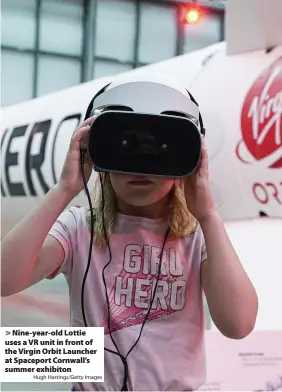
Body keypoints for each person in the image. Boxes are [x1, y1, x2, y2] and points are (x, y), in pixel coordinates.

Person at [1, 77, 258, 392]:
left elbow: (239, 325)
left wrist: (208, 215)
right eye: (126, 146)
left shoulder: (197, 237)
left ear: (188, 159)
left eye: (158, 149)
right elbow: (5, 281)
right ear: (95, 153)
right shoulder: (78, 228)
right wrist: (64, 189)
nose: (141, 165)